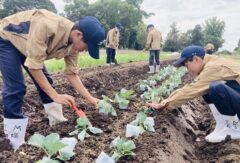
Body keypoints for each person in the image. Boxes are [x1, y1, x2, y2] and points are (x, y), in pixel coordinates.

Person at [0, 9, 105, 150]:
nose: (86, 50)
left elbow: (72, 74)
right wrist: (55, 95)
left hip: (28, 45)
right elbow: (34, 67)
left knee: (46, 82)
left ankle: (57, 121)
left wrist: (91, 99)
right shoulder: (46, 25)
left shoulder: (74, 44)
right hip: (7, 39)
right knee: (16, 87)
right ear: (78, 34)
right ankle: (13, 140)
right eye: (87, 46)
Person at [147, 45, 240, 143]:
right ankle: (222, 125)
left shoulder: (213, 67)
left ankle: (234, 128)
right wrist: (167, 100)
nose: (188, 70)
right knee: (207, 88)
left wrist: (164, 104)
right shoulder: (211, 62)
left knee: (216, 87)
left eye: (187, 65)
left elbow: (191, 90)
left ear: (196, 59)